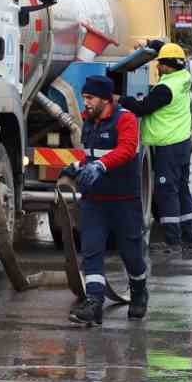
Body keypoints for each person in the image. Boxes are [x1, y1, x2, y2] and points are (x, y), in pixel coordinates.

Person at [64, 75, 149, 326]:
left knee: (131, 253)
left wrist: (101, 165)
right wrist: (77, 166)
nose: (85, 103)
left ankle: (138, 292)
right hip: (94, 201)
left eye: (89, 98)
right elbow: (89, 154)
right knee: (91, 251)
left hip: (124, 201)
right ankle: (93, 304)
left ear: (105, 99)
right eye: (85, 98)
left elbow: (126, 149)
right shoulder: (90, 120)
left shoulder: (126, 119)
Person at [121, 42, 192, 250]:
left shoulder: (165, 88)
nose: (157, 67)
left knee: (167, 192)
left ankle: (173, 241)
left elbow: (142, 108)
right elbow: (171, 48)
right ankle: (191, 237)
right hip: (181, 144)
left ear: (166, 65)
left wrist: (121, 99)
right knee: (182, 189)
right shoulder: (184, 78)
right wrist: (153, 45)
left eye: (159, 63)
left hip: (168, 147)